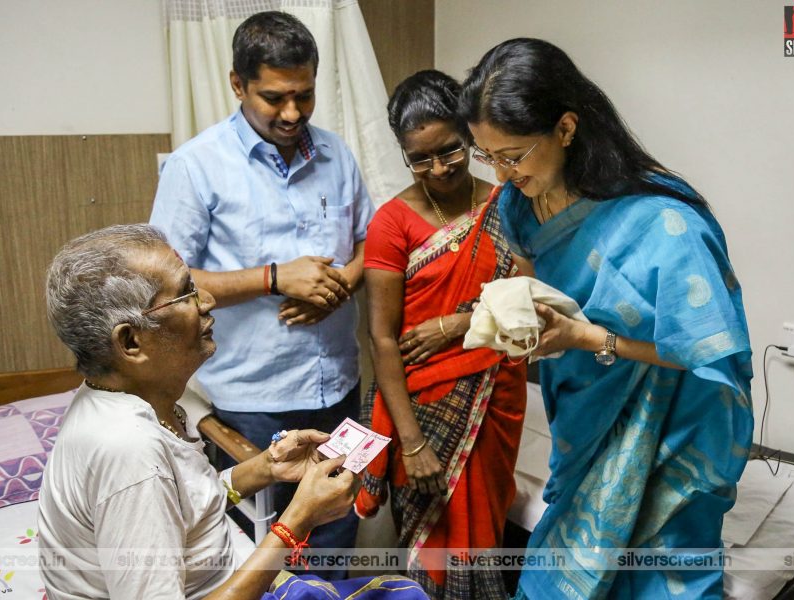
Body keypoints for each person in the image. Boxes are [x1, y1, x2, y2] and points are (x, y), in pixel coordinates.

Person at [458, 39, 754, 599]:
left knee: (659, 576)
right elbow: (531, 290)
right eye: (486, 155)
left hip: (669, 422)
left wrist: (587, 337)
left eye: (513, 155)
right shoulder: (515, 204)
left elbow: (706, 349)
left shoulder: (665, 222)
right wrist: (519, 328)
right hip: (585, 410)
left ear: (566, 129)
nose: (498, 175)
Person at [38, 224, 427, 600]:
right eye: (185, 293)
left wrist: (265, 468)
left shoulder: (139, 398)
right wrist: (296, 522)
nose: (206, 301)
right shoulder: (129, 452)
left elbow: (185, 506)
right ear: (131, 341)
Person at [149, 11, 372, 566]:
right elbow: (166, 284)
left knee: (334, 542)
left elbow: (374, 244)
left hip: (338, 389)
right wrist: (274, 277)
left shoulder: (337, 155)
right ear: (237, 84)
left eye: (305, 95)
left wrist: (342, 281)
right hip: (252, 405)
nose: (293, 113)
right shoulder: (196, 166)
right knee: (262, 553)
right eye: (274, 98)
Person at [355, 70, 527, 599]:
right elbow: (381, 338)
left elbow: (524, 294)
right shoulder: (392, 222)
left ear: (469, 134)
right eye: (419, 159)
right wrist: (411, 445)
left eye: (450, 150)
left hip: (493, 396)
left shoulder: (507, 203)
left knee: (484, 535)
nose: (438, 168)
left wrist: (456, 323)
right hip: (424, 409)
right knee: (430, 552)